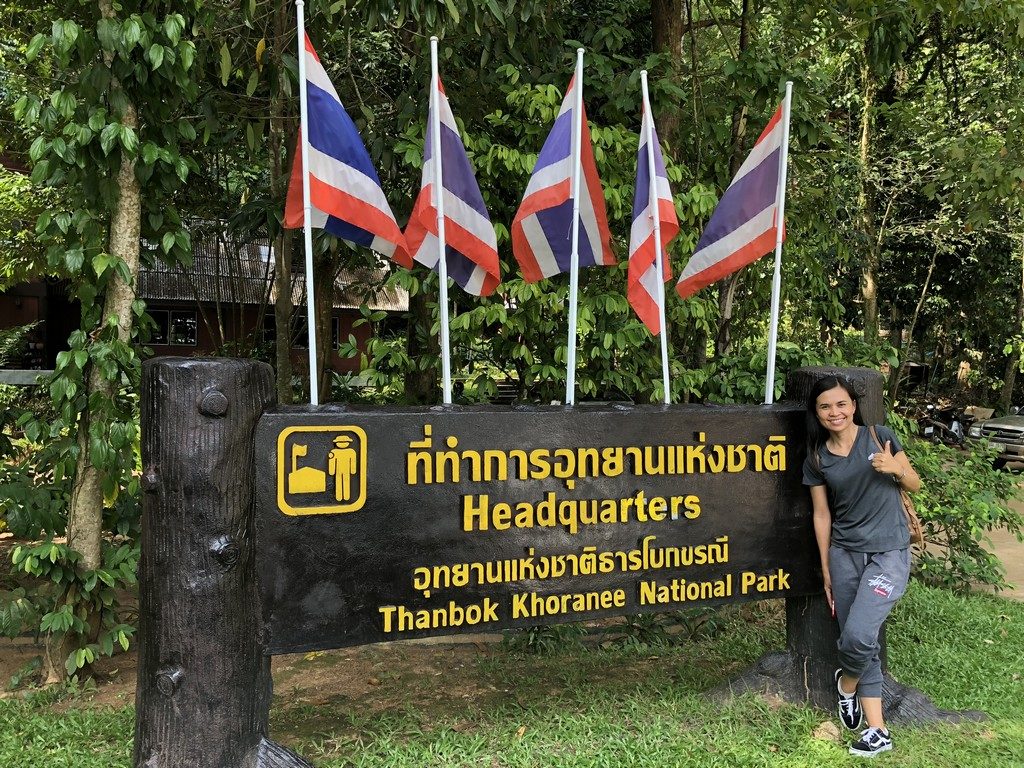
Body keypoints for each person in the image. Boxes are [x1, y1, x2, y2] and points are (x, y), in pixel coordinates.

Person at [802, 375, 921, 758]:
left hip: (889, 554)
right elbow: (822, 516)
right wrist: (826, 570)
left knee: (857, 636)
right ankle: (878, 731)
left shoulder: (879, 436)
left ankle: (846, 686)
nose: (834, 412)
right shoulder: (817, 459)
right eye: (825, 406)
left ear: (853, 406)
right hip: (844, 555)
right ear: (817, 413)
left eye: (841, 404)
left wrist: (895, 469)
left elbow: (915, 483)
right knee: (861, 639)